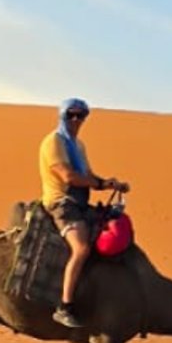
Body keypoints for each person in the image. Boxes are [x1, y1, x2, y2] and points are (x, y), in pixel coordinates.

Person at [38, 98, 128, 327]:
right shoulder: (54, 143)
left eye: (81, 115)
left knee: (111, 229)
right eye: (71, 115)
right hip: (61, 203)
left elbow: (87, 174)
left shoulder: (78, 146)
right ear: (62, 116)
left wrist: (110, 183)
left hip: (79, 202)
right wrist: (100, 184)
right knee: (81, 248)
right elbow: (69, 177)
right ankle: (64, 306)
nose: (76, 120)